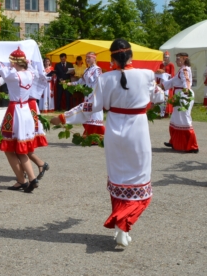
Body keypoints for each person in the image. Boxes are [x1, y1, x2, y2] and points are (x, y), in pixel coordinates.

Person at [52, 39, 165, 247]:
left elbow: (90, 106)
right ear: (131, 55)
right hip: (137, 132)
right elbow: (159, 97)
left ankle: (120, 225)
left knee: (118, 177)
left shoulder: (105, 79)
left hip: (114, 132)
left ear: (112, 58)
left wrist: (63, 118)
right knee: (139, 179)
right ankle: (123, 223)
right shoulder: (147, 75)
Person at [0, 47, 42, 193]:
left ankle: (24, 179)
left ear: (14, 63)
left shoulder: (13, 75)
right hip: (26, 111)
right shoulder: (31, 73)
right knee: (22, 149)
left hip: (15, 111)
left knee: (10, 149)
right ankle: (30, 178)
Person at [162, 53, 199, 153]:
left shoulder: (185, 69)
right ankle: (174, 141)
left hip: (184, 95)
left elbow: (186, 80)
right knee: (175, 118)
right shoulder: (181, 69)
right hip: (179, 95)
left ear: (183, 60)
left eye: (178, 59)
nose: (176, 61)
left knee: (184, 118)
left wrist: (186, 89)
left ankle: (192, 145)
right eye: (176, 59)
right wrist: (161, 86)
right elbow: (173, 81)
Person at [159, 52, 175, 117]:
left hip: (168, 82)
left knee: (168, 96)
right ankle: (161, 111)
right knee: (162, 96)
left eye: (167, 57)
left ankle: (168, 111)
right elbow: (159, 72)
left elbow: (172, 74)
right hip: (162, 82)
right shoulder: (161, 65)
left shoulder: (171, 65)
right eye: (165, 57)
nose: (166, 58)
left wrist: (168, 76)